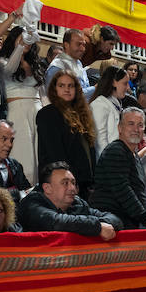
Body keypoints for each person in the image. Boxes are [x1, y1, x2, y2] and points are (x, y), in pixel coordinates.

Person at [90, 107, 146, 235]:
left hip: (128, 223)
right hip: (111, 226)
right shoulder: (115, 150)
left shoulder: (134, 155)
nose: (136, 129)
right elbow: (122, 189)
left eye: (140, 125)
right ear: (120, 128)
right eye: (130, 124)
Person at [17, 161, 119, 238]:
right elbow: (57, 222)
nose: (72, 188)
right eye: (65, 183)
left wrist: (101, 225)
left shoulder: (77, 203)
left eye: (73, 183)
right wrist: (97, 227)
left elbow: (114, 219)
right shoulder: (31, 204)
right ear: (47, 188)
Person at [37, 70, 97, 198]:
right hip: (62, 182)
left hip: (84, 182)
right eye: (61, 85)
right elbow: (54, 153)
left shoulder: (82, 114)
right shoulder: (48, 113)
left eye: (71, 86)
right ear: (54, 89)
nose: (67, 89)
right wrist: (70, 180)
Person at [0, 26, 47, 183]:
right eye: (21, 37)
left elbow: (42, 93)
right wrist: (19, 47)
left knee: (40, 156)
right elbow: (10, 69)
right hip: (17, 112)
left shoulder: (35, 64)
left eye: (28, 39)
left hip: (37, 112)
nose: (26, 41)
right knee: (23, 154)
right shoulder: (3, 61)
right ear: (13, 39)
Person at [90, 64, 129, 152]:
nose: (128, 88)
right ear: (114, 82)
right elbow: (100, 142)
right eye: (125, 83)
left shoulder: (115, 104)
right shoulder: (100, 105)